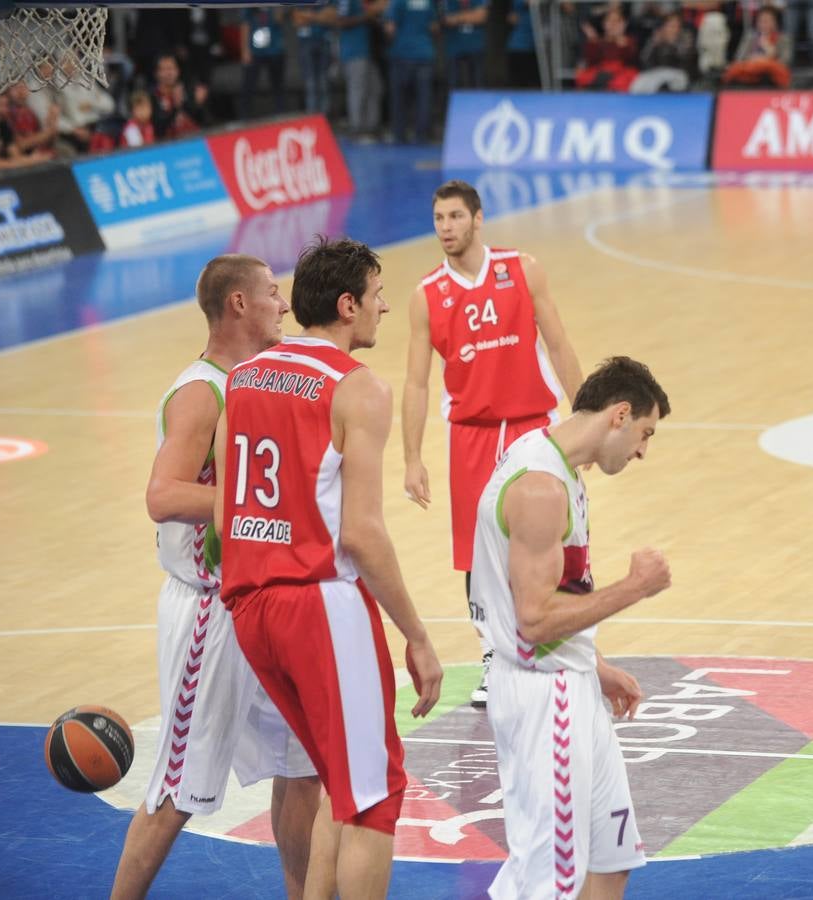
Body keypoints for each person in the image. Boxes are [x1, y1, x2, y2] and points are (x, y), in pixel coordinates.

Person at [217, 237, 443, 898]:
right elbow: (363, 535)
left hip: (249, 608)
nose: (385, 307)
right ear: (347, 305)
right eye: (376, 296)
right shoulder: (357, 387)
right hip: (318, 605)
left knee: (340, 787)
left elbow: (230, 517)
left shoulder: (245, 375)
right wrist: (419, 637)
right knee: (375, 797)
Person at [111, 255, 321, 900]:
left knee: (303, 765)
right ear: (238, 304)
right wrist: (254, 505)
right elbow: (162, 494)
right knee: (179, 789)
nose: (282, 305)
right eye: (271, 293)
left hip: (262, 604)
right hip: (209, 612)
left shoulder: (257, 379)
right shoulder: (203, 390)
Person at [474, 356, 672, 899]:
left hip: (571, 680)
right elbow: (534, 620)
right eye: (644, 434)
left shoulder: (558, 467)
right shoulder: (541, 488)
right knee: (546, 884)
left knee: (612, 860)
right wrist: (635, 587)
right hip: (544, 697)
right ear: (620, 413)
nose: (641, 451)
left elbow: (558, 595)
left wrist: (595, 664)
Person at [403, 180, 585, 709]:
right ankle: (493, 656)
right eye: (439, 218)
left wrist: (585, 417)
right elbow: (416, 383)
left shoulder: (522, 269)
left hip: (534, 425)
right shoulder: (426, 295)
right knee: (478, 555)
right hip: (472, 435)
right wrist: (412, 458)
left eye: (455, 216)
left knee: (551, 536)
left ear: (477, 219)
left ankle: (555, 640)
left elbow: (558, 342)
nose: (446, 227)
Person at [384, 0, 436, 142]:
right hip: (424, 53)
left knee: (399, 99)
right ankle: (422, 135)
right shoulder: (427, 2)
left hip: (402, 53)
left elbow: (390, 28)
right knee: (423, 98)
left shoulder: (397, 2)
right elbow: (433, 27)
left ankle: (399, 134)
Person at [335, 0, 386, 139]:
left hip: (370, 53)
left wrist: (374, 18)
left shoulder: (366, 2)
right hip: (354, 52)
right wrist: (366, 16)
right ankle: (356, 128)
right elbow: (340, 21)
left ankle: (371, 127)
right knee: (358, 91)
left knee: (375, 89)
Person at [239, 7, 289, 119]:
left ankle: (281, 116)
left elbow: (279, 19)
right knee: (248, 85)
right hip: (255, 51)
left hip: (274, 49)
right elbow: (245, 25)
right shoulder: (249, 6)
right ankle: (244, 118)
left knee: (278, 86)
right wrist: (245, 50)